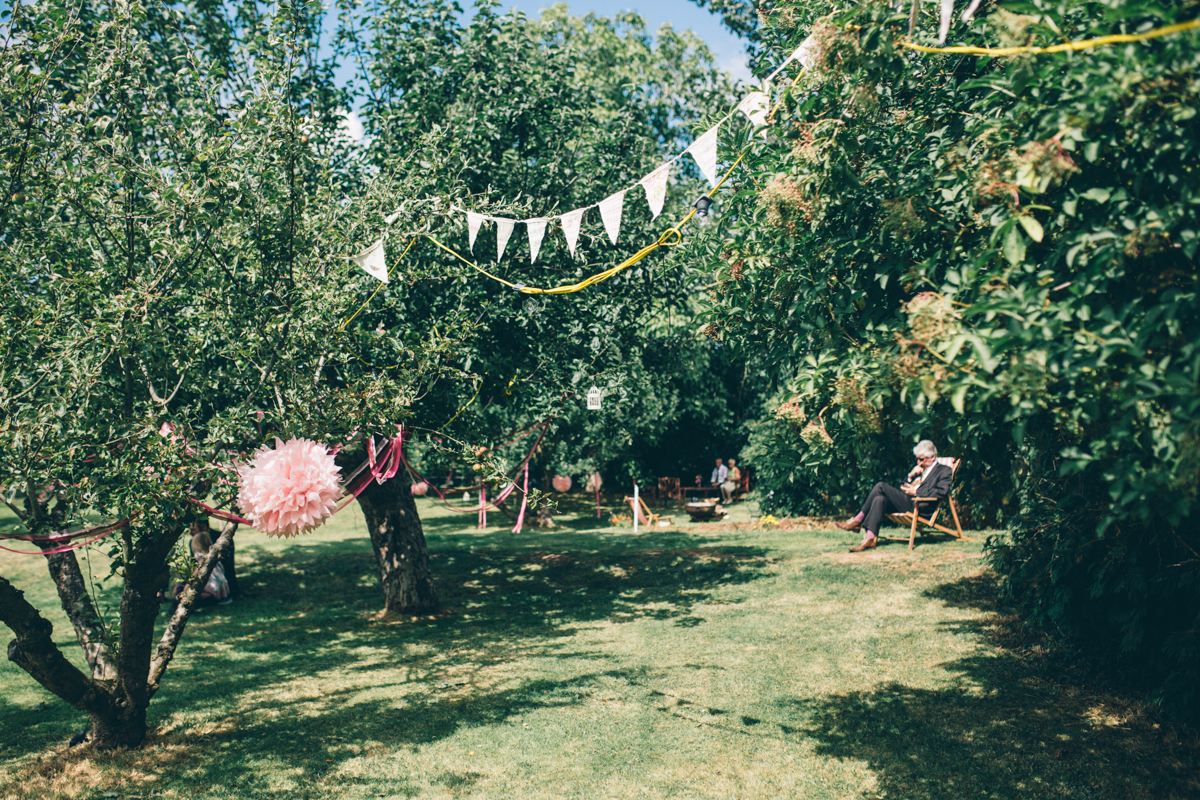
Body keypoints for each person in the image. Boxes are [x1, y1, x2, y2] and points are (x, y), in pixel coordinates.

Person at [836, 440, 952, 552]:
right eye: (917, 459)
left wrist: (917, 493)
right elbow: (901, 486)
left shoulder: (944, 470)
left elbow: (941, 491)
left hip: (919, 506)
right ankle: (870, 539)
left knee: (880, 486)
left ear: (932, 457)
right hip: (907, 501)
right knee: (879, 499)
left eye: (921, 459)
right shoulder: (920, 469)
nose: (918, 463)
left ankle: (857, 520)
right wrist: (910, 476)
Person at [173, 528, 232, 605]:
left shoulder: (202, 559)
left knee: (193, 592)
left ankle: (207, 598)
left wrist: (185, 589)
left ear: (197, 546)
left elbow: (194, 575)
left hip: (213, 587)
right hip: (219, 586)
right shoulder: (213, 556)